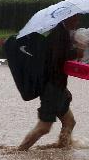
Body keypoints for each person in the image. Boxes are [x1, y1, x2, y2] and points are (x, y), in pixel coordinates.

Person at [15, 15, 83, 151]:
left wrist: (63, 89)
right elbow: (57, 59)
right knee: (44, 127)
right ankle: (19, 151)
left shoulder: (61, 32)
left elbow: (57, 59)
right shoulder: (58, 33)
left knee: (69, 122)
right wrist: (76, 52)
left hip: (57, 86)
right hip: (51, 88)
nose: (77, 22)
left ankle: (62, 150)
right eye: (75, 19)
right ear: (67, 18)